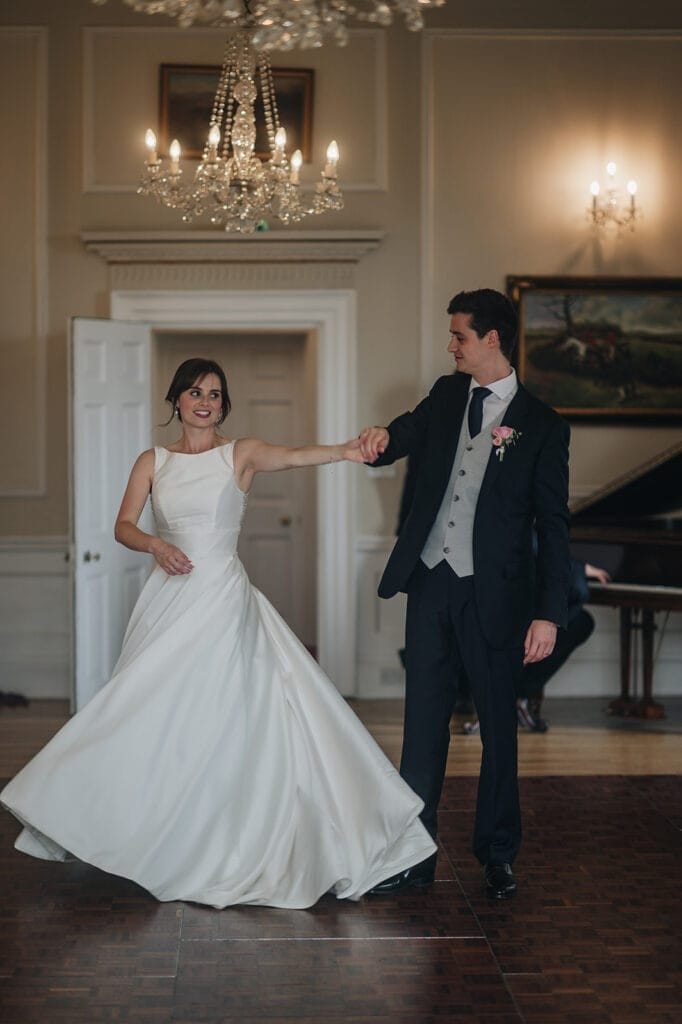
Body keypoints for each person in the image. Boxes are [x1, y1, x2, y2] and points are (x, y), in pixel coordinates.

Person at [1, 358, 435, 910]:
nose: (205, 401)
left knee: (227, 712)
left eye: (214, 393)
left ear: (223, 404)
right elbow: (123, 525)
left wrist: (348, 451)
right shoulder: (152, 460)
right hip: (167, 598)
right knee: (144, 710)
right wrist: (156, 545)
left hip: (224, 598)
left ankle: (229, 838)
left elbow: (296, 455)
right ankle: (136, 825)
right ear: (176, 400)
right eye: (194, 391)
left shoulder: (241, 453)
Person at [358, 289, 571, 900]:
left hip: (497, 598)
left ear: (492, 339)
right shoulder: (449, 393)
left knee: (499, 729)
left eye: (459, 336)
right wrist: (378, 440)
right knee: (422, 724)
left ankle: (498, 853)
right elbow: (405, 434)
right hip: (430, 584)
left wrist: (548, 614)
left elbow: (554, 528)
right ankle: (413, 855)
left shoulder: (544, 425)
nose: (450, 346)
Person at [463, 558, 610, 734]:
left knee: (580, 622)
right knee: (514, 620)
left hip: (536, 581)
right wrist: (579, 569)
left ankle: (519, 696)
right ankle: (496, 704)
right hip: (504, 581)